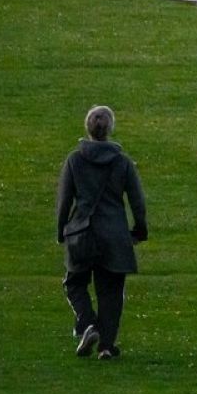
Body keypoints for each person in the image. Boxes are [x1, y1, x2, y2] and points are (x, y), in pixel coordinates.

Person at [56, 104, 148, 361]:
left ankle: (87, 324)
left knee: (75, 283)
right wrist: (140, 231)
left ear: (87, 128)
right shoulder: (122, 163)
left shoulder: (74, 160)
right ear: (110, 129)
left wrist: (61, 230)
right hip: (114, 235)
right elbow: (137, 201)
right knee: (111, 291)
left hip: (82, 234)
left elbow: (64, 200)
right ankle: (106, 345)